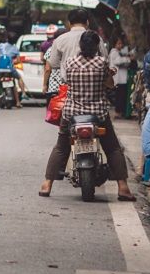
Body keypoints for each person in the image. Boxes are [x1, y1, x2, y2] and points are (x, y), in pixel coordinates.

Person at [39, 31, 135, 201]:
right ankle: (123, 187)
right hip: (97, 114)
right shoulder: (102, 62)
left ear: (81, 46)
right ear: (98, 46)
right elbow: (110, 85)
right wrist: (108, 76)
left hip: (71, 113)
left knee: (61, 147)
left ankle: (47, 184)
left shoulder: (70, 62)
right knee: (113, 148)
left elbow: (67, 81)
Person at [43, 8, 109, 95]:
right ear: (87, 22)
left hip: (69, 88)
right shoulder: (96, 38)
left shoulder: (59, 40)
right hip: (93, 88)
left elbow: (54, 64)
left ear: (69, 23)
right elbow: (105, 60)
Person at [108, 37, 133, 118]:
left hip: (122, 79)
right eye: (118, 43)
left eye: (121, 43)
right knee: (120, 96)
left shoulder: (119, 52)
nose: (120, 45)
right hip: (119, 79)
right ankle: (118, 112)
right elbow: (118, 61)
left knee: (122, 96)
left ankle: (121, 112)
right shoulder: (114, 52)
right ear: (114, 44)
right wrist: (128, 59)